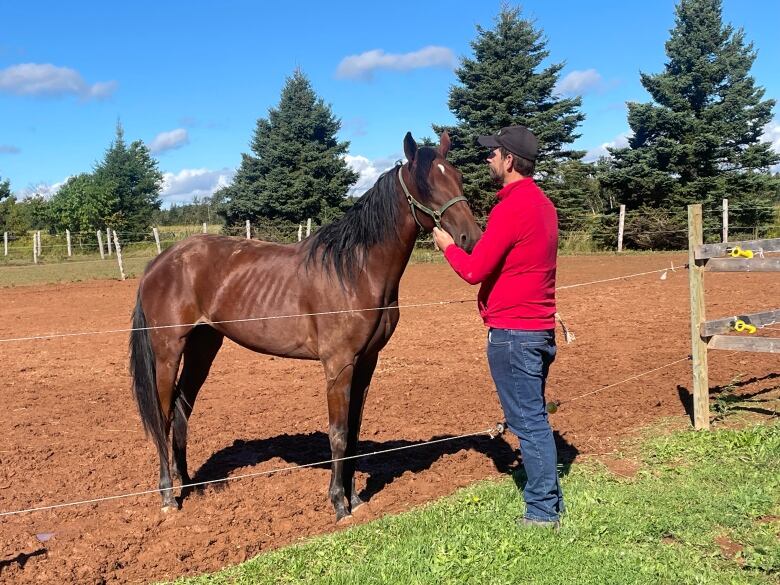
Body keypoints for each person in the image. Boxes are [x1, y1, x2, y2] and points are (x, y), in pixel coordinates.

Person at [432, 125, 564, 528]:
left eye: (492, 154)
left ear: (509, 160)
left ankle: (542, 513)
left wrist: (447, 247)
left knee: (528, 422)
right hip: (537, 329)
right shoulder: (542, 205)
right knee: (534, 417)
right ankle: (549, 500)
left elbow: (474, 269)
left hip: (514, 334)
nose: (487, 159)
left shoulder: (513, 207)